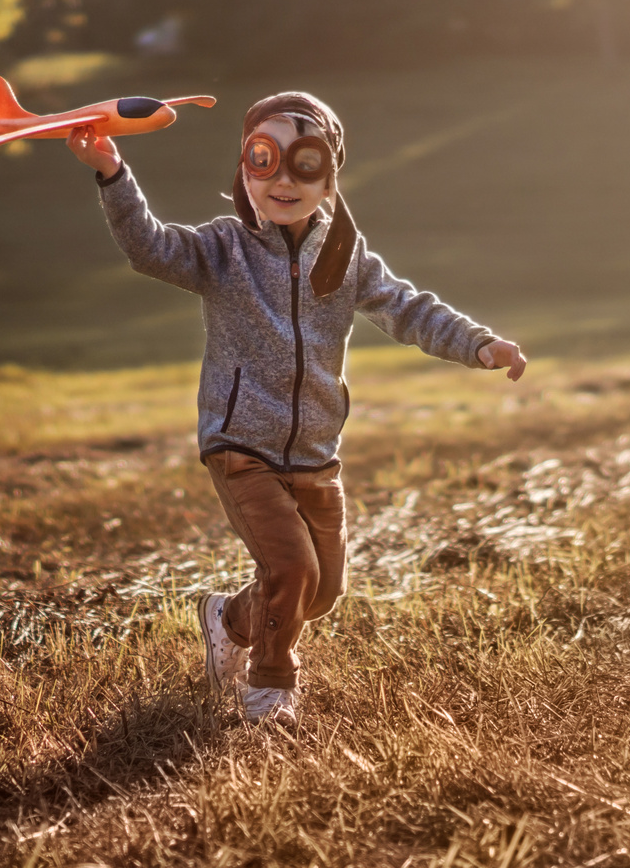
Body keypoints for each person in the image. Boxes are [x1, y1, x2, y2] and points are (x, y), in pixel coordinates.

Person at [65, 91, 526, 725]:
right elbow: (149, 247)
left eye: (302, 164)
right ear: (244, 168)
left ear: (328, 175)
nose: (282, 180)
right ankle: (270, 690)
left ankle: (227, 619)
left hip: (314, 452)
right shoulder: (223, 248)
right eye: (264, 159)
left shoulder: (345, 254)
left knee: (322, 591)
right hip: (239, 444)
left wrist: (478, 344)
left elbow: (411, 309)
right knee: (290, 566)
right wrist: (113, 172)